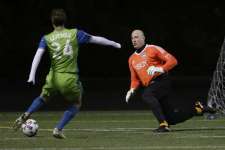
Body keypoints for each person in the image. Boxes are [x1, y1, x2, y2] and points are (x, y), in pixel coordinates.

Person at [13, 8, 121, 139]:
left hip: (53, 77)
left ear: (52, 22)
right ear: (64, 21)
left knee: (42, 98)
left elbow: (38, 55)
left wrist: (32, 75)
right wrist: (114, 44)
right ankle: (58, 129)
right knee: (76, 103)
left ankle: (26, 114)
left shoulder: (47, 38)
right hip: (69, 77)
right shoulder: (74, 33)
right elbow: (96, 39)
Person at [125, 29, 211, 132]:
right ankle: (197, 108)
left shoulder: (153, 49)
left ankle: (163, 125)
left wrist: (160, 69)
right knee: (172, 118)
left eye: (136, 37)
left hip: (161, 81)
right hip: (152, 87)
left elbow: (173, 61)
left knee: (147, 95)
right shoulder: (132, 59)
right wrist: (132, 90)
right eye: (132, 38)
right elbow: (135, 79)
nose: (134, 40)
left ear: (143, 38)